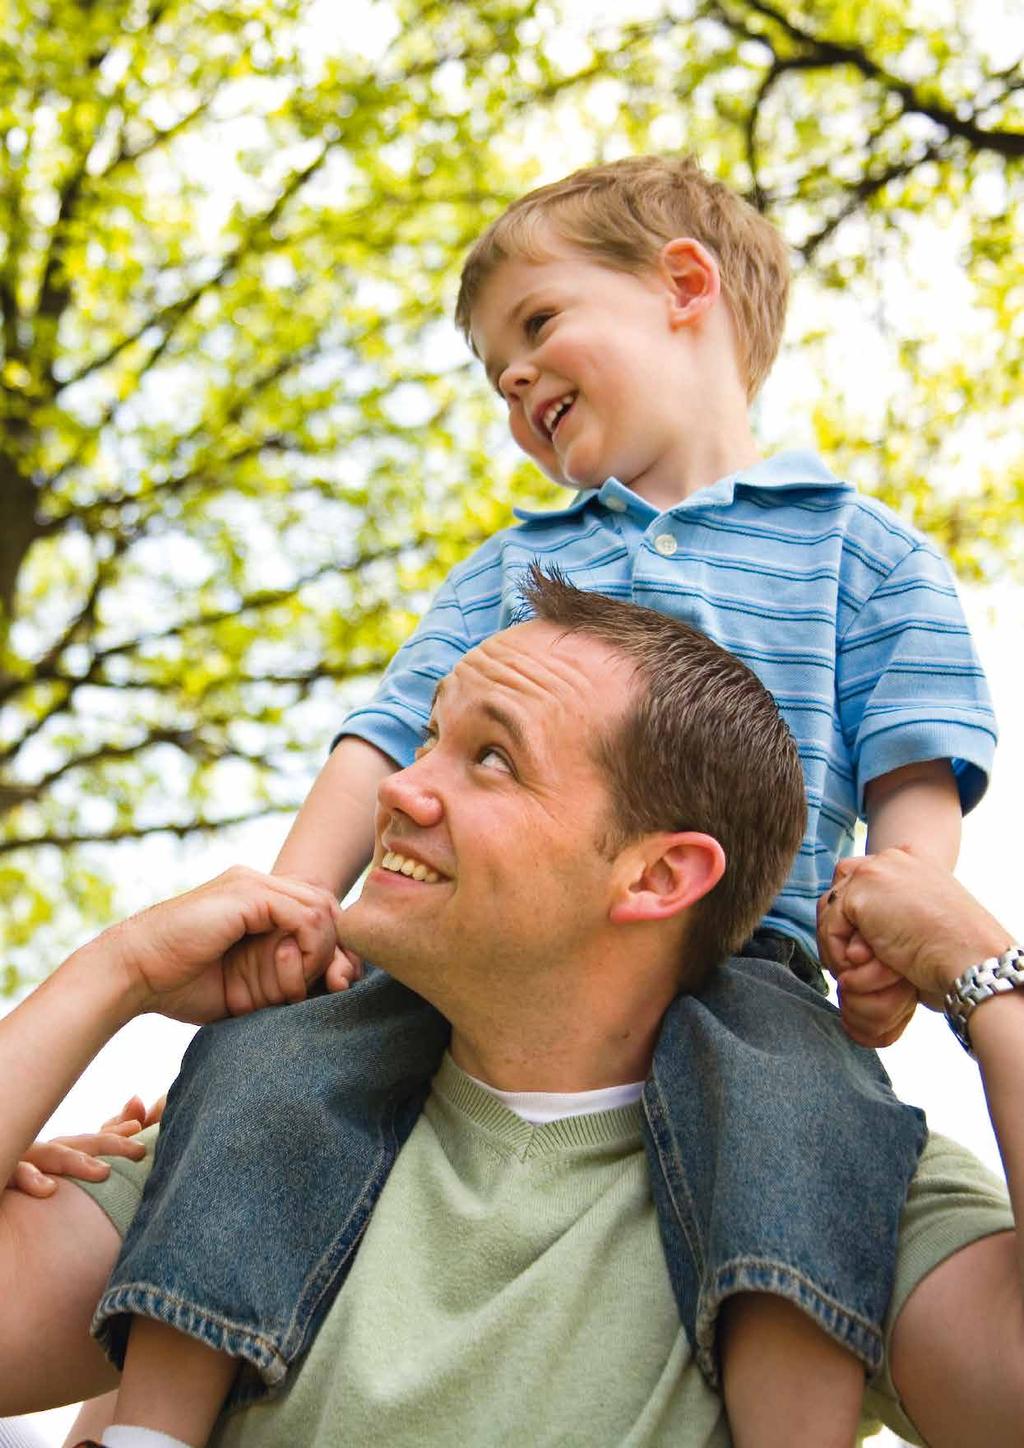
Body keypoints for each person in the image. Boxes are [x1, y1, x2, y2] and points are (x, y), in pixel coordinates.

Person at [77, 154, 997, 1439]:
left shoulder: (862, 549)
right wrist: (296, 903)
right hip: (471, 951)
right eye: (490, 368)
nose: (511, 380)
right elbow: (382, 736)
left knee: (804, 1131)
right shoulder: (518, 563)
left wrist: (903, 921)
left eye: (537, 325)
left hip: (750, 951)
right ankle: (152, 1415)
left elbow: (913, 759)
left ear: (683, 284)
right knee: (259, 1072)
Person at [0, 583, 1020, 1448]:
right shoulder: (248, 1135)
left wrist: (989, 976)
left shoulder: (830, 1168)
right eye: (431, 736)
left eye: (489, 757)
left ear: (659, 872)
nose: (400, 788)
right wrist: (113, 973)